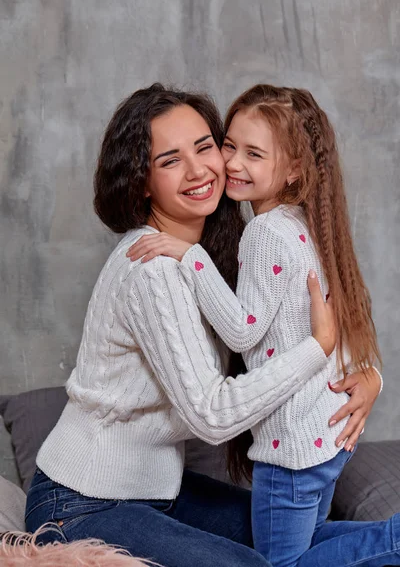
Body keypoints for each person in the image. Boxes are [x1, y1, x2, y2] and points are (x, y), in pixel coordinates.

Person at [25, 84, 379, 567]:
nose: (200, 170)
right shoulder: (151, 269)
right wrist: (318, 349)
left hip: (157, 491)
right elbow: (213, 415)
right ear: (142, 181)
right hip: (82, 503)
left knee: (294, 538)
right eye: (170, 160)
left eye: (206, 146)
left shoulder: (216, 253)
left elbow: (294, 318)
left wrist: (368, 375)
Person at [126, 84, 400, 567]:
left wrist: (192, 258)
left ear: (294, 169)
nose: (233, 164)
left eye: (254, 154)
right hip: (324, 438)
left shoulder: (263, 233)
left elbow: (242, 332)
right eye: (229, 146)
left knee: (282, 564)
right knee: (312, 547)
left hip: (293, 449)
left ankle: (393, 540)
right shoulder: (300, 222)